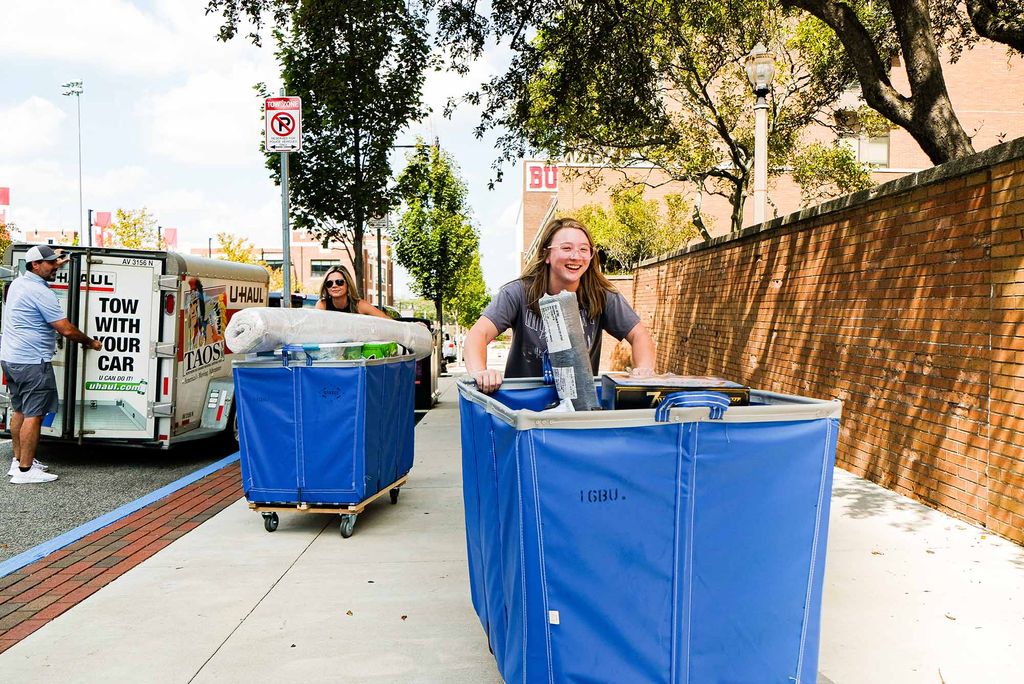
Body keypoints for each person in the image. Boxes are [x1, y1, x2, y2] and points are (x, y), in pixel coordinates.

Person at [464, 217, 656, 394]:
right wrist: (481, 373)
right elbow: (478, 334)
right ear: (546, 254)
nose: (576, 256)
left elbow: (640, 335)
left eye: (583, 249)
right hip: (525, 409)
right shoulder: (517, 293)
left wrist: (644, 371)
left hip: (576, 410)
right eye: (566, 248)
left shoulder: (601, 295)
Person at [3, 245, 102, 484]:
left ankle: (18, 463)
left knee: (19, 410)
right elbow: (65, 328)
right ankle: (26, 472)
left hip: (12, 358)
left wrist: (59, 260)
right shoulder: (41, 292)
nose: (54, 267)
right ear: (35, 265)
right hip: (33, 362)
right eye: (49, 263)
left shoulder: (18, 283)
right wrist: (90, 342)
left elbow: (46, 265)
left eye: (54, 262)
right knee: (34, 415)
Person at [314, 265, 390, 319]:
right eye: (329, 283)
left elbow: (389, 322)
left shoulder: (360, 305)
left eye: (339, 282)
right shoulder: (322, 305)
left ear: (348, 284)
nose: (334, 286)